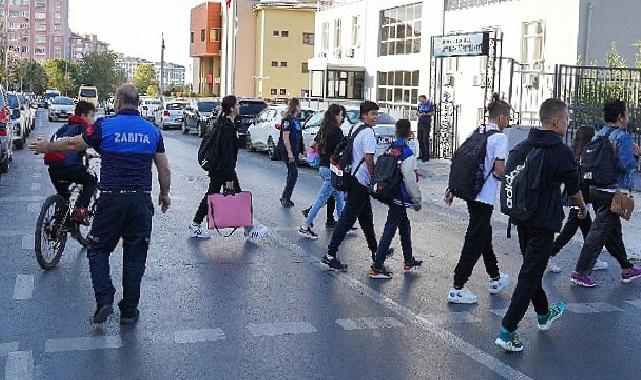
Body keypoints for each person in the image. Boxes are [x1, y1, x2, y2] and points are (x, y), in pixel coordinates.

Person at [30, 84, 172, 325]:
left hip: (112, 200)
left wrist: (48, 146)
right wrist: (165, 194)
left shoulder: (104, 126)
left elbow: (74, 144)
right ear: (138, 103)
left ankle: (105, 299)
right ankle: (128, 311)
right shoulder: (152, 131)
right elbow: (164, 168)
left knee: (97, 250)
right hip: (140, 201)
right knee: (135, 256)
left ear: (117, 102)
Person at [495, 98, 587, 352]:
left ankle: (544, 313)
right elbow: (574, 188)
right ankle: (507, 329)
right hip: (543, 221)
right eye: (567, 119)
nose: (568, 124)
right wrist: (581, 208)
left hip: (520, 217)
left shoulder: (523, 145)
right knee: (530, 273)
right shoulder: (561, 151)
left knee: (531, 268)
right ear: (556, 122)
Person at [444, 99, 511, 304]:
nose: (507, 122)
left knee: (483, 235)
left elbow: (461, 162)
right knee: (475, 239)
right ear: (500, 118)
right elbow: (499, 170)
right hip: (485, 195)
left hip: (471, 193)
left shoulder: (475, 133)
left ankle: (496, 277)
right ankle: (458, 286)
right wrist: (511, 177)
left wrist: (452, 189)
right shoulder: (499, 138)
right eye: (507, 118)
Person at [571, 100, 641, 287]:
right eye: (626, 113)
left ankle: (627, 269)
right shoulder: (622, 136)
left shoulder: (599, 134)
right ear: (620, 116)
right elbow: (626, 165)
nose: (628, 116)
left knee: (612, 232)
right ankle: (580, 272)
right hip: (614, 191)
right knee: (598, 233)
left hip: (596, 189)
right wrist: (636, 154)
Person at [189, 95, 267, 240]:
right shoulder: (228, 128)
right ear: (231, 108)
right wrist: (229, 177)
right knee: (237, 197)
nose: (239, 107)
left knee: (212, 194)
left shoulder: (224, 123)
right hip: (224, 169)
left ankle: (195, 225)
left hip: (219, 168)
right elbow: (227, 155)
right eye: (237, 104)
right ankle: (249, 229)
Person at [322, 101, 382, 271]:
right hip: (362, 181)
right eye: (373, 114)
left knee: (366, 218)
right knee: (347, 219)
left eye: (377, 114)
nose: (375, 117)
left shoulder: (355, 128)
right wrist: (374, 179)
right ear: (364, 115)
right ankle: (330, 254)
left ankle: (375, 252)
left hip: (353, 178)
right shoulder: (368, 133)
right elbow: (369, 159)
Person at [547, 126, 608, 273]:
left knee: (588, 230)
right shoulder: (588, 153)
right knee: (570, 230)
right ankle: (549, 254)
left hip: (576, 195)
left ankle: (592, 259)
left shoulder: (573, 152)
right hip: (580, 196)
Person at [369, 119, 423, 278]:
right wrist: (417, 200)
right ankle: (377, 267)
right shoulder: (406, 152)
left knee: (404, 226)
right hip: (400, 196)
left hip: (389, 193)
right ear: (409, 133)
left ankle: (409, 261)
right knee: (390, 229)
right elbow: (409, 179)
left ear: (396, 132)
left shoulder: (390, 148)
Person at [45, 101, 98, 223]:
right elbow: (92, 143)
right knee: (91, 181)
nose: (93, 120)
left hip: (53, 169)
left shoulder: (64, 128)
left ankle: (59, 226)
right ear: (83, 116)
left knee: (64, 196)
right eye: (92, 116)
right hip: (71, 168)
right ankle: (81, 209)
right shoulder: (84, 128)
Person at [299, 104, 345, 239]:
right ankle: (305, 226)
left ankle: (343, 224)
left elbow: (313, 144)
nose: (342, 118)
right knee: (321, 200)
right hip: (332, 169)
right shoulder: (336, 131)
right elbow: (340, 151)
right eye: (341, 115)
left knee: (339, 196)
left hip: (323, 167)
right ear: (335, 115)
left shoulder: (324, 129)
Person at [280, 97, 304, 208]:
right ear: (295, 106)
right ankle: (285, 197)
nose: (301, 107)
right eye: (299, 105)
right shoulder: (287, 120)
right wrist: (289, 152)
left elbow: (299, 134)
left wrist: (302, 147)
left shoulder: (297, 119)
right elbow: (286, 137)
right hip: (288, 150)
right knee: (294, 173)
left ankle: (286, 196)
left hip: (295, 150)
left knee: (292, 174)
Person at [416, 95, 433, 162]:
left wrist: (424, 113)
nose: (419, 100)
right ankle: (422, 154)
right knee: (419, 139)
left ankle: (426, 156)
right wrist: (418, 113)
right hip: (420, 123)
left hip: (426, 123)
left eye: (420, 99)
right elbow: (417, 112)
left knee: (425, 140)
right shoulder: (420, 105)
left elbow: (432, 113)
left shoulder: (429, 104)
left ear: (424, 98)